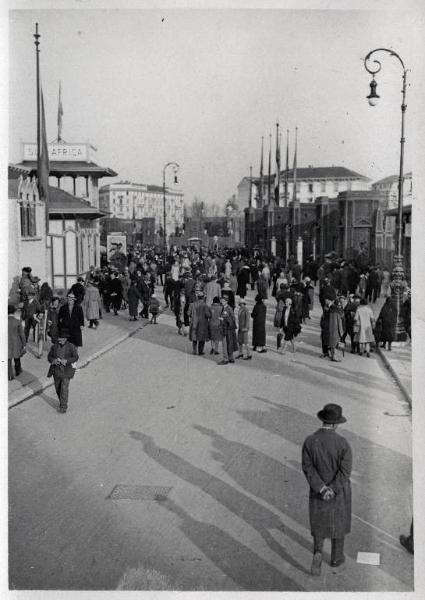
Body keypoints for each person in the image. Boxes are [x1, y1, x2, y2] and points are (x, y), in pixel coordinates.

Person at [302, 403, 352, 576]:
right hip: (339, 492)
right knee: (338, 522)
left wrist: (322, 488)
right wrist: (333, 488)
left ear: (322, 420)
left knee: (319, 522)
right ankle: (336, 558)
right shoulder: (342, 443)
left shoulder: (310, 441)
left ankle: (317, 551)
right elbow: (345, 471)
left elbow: (308, 468)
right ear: (336, 424)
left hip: (318, 491)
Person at [47, 328, 79, 413]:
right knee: (58, 388)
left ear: (65, 339)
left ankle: (63, 406)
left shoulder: (71, 346)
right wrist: (53, 360)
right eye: (58, 338)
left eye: (60, 339)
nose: (59, 340)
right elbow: (49, 357)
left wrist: (67, 361)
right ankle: (62, 401)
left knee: (64, 389)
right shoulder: (54, 346)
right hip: (56, 371)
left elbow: (76, 357)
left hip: (66, 371)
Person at [188, 290, 211, 355]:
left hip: (194, 323)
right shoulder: (205, 305)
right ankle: (200, 351)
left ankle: (194, 351)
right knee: (201, 338)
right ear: (203, 297)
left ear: (197, 297)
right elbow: (208, 315)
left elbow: (188, 313)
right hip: (202, 324)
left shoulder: (192, 304)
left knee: (194, 338)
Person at [218, 294, 238, 364]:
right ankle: (231, 358)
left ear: (226, 301)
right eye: (221, 301)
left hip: (226, 329)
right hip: (229, 329)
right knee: (230, 343)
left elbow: (231, 318)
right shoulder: (228, 308)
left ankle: (225, 359)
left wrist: (222, 319)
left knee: (225, 344)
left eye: (223, 301)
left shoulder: (227, 309)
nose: (222, 302)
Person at [8, 304, 26, 380]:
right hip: (16, 342)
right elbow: (22, 334)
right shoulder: (18, 321)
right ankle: (18, 371)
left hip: (7, 343)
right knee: (17, 358)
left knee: (8, 360)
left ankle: (10, 375)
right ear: (14, 312)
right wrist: (24, 344)